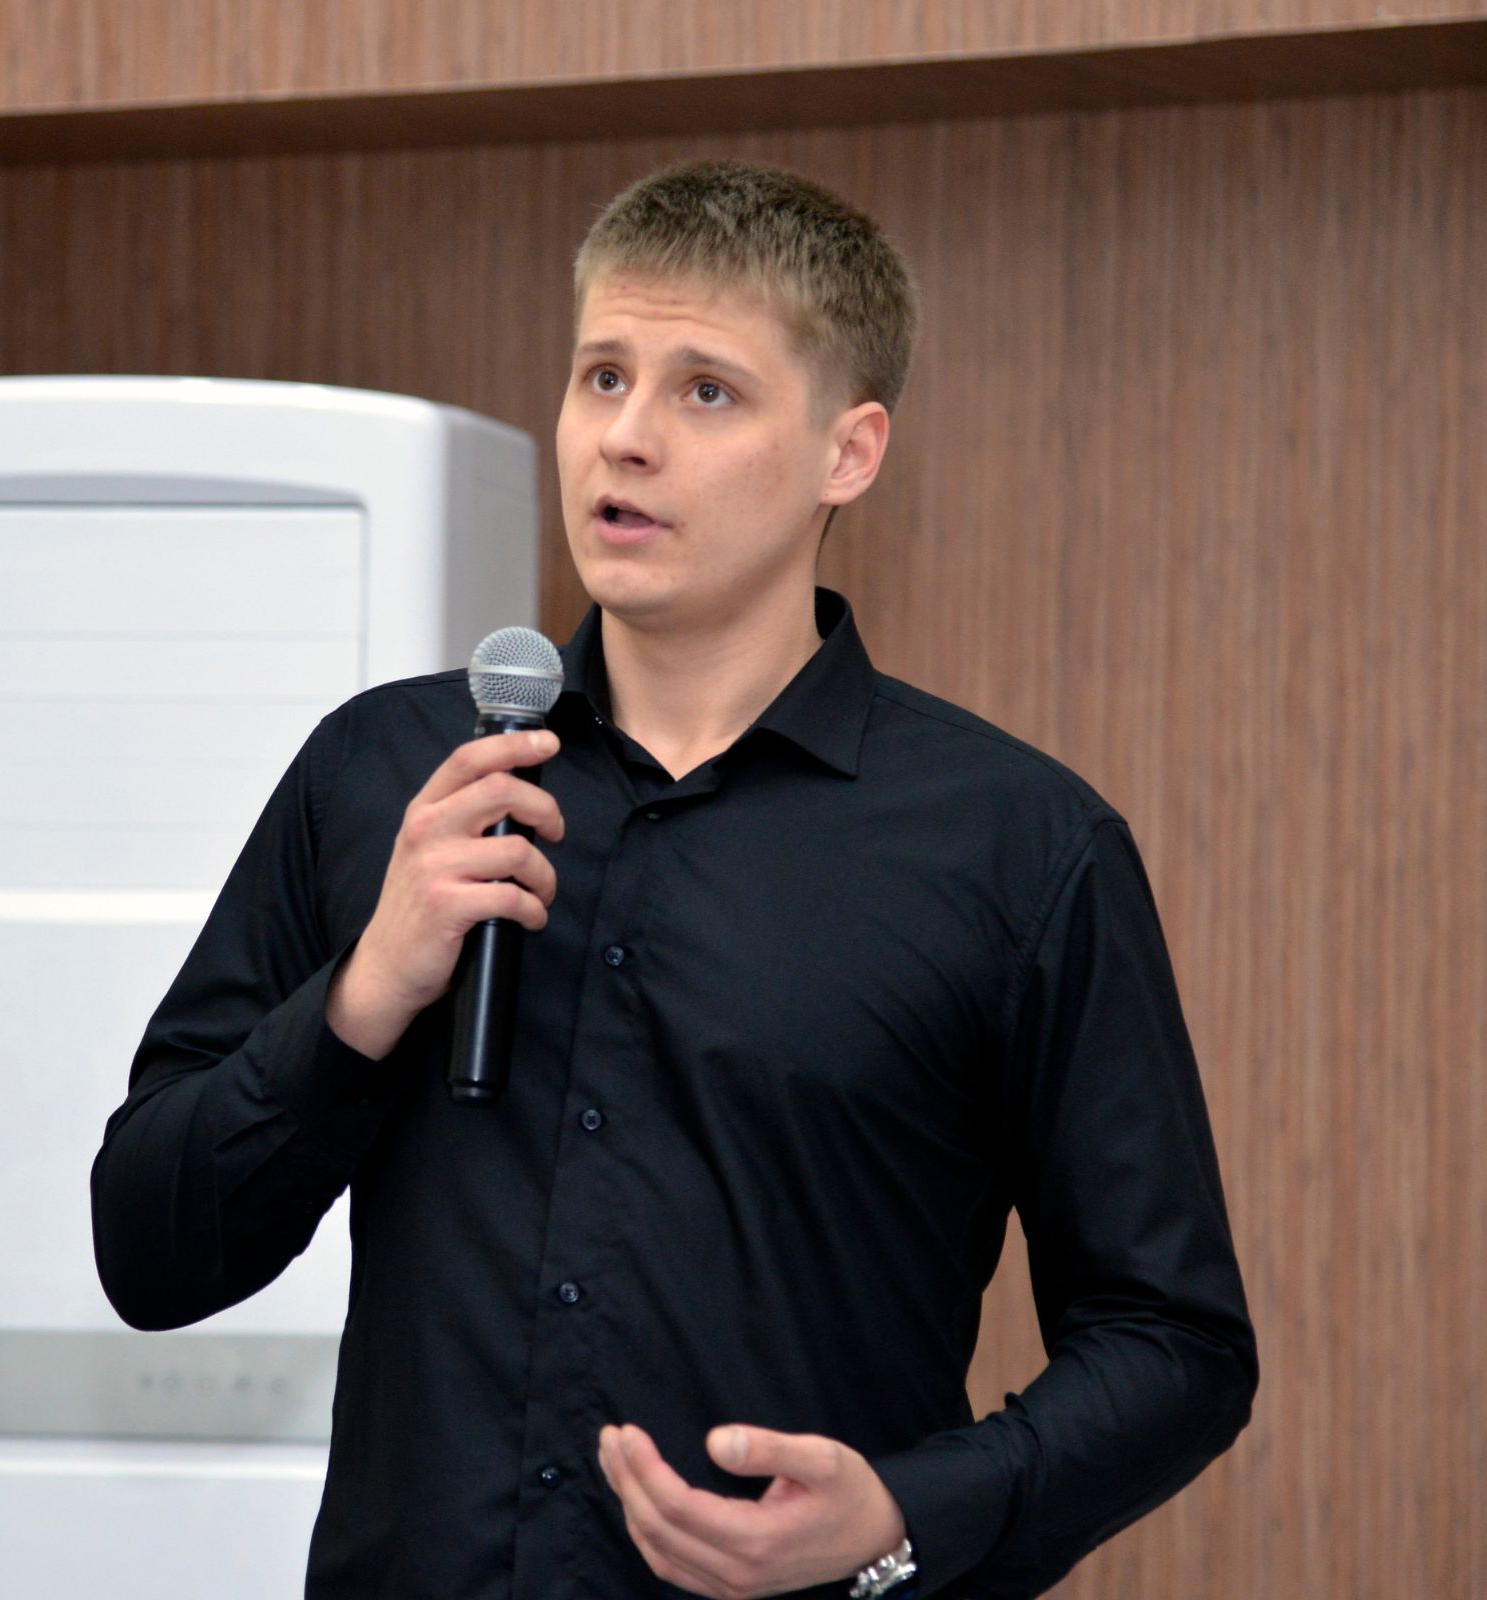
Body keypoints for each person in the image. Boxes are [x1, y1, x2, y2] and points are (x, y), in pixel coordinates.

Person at [91, 157, 1256, 1599]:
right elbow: (147, 1251)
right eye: (602, 378)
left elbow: (1176, 1346)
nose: (624, 440)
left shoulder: (1020, 851)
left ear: (848, 452)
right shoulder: (382, 774)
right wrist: (366, 992)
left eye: (706, 391)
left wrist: (904, 1512)